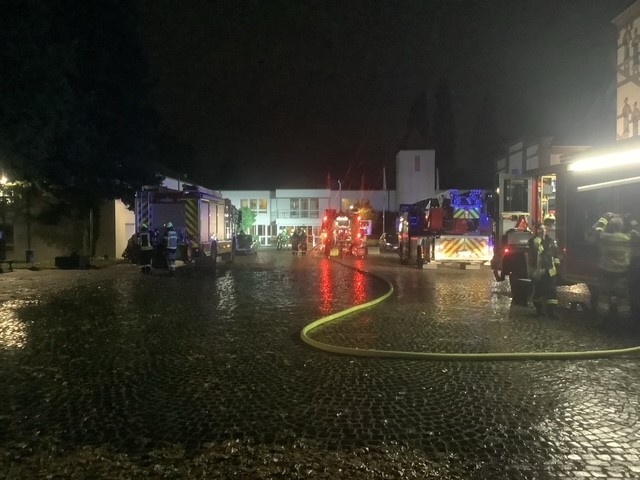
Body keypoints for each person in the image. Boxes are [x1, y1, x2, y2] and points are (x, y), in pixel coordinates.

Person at [589, 213, 633, 318]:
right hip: (621, 274)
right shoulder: (627, 238)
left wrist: (605, 217)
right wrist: (630, 219)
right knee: (623, 299)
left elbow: (595, 229)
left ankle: (601, 320)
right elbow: (637, 231)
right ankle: (624, 321)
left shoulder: (605, 237)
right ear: (621, 227)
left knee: (603, 298)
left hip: (606, 272)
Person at [527, 223, 561, 318]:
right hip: (539, 270)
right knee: (538, 291)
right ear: (537, 230)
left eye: (544, 229)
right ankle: (539, 311)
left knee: (552, 292)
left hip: (550, 270)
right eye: (540, 229)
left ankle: (551, 312)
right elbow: (534, 252)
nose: (542, 231)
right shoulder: (533, 241)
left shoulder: (550, 241)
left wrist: (557, 265)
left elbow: (555, 253)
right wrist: (537, 242)